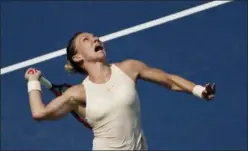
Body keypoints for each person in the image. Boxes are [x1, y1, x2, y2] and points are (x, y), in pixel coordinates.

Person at [25, 32, 216, 150]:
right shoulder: (78, 93)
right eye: (86, 40)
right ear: (78, 57)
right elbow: (39, 113)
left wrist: (198, 90)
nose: (95, 39)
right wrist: (32, 81)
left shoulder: (128, 68)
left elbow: (169, 80)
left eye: (95, 37)